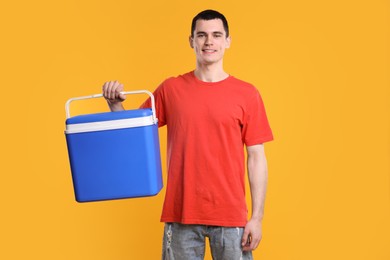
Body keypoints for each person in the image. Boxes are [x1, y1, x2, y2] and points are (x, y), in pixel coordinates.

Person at [102, 9, 273, 260]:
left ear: (227, 41)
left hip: (230, 215)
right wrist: (115, 105)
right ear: (191, 41)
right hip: (181, 212)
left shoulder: (247, 94)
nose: (208, 42)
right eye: (201, 35)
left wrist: (257, 218)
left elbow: (257, 157)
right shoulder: (171, 89)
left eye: (216, 35)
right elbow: (133, 136)